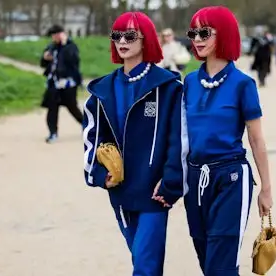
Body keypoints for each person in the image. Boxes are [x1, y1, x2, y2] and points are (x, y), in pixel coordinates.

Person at [82, 12, 187, 276]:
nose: (122, 41)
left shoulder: (169, 86)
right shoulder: (102, 89)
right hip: (119, 191)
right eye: (117, 35)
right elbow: (92, 136)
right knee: (139, 258)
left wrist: (171, 181)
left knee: (145, 267)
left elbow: (179, 138)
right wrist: (97, 174)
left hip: (154, 192)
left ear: (146, 40)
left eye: (130, 36)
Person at [183, 6, 273, 275]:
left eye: (204, 32)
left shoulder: (243, 84)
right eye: (193, 32)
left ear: (223, 35)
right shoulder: (189, 82)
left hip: (231, 178)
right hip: (196, 180)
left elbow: (256, 139)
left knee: (221, 264)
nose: (197, 39)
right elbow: (181, 135)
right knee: (206, 259)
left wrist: (266, 188)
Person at [40, 25, 83, 143]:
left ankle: (87, 126)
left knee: (72, 107)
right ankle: (53, 133)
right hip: (53, 83)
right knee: (52, 108)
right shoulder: (51, 47)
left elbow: (73, 60)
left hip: (68, 83)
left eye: (56, 34)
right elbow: (43, 64)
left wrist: (64, 45)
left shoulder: (71, 46)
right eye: (53, 35)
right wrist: (45, 58)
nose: (54, 37)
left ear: (62, 34)